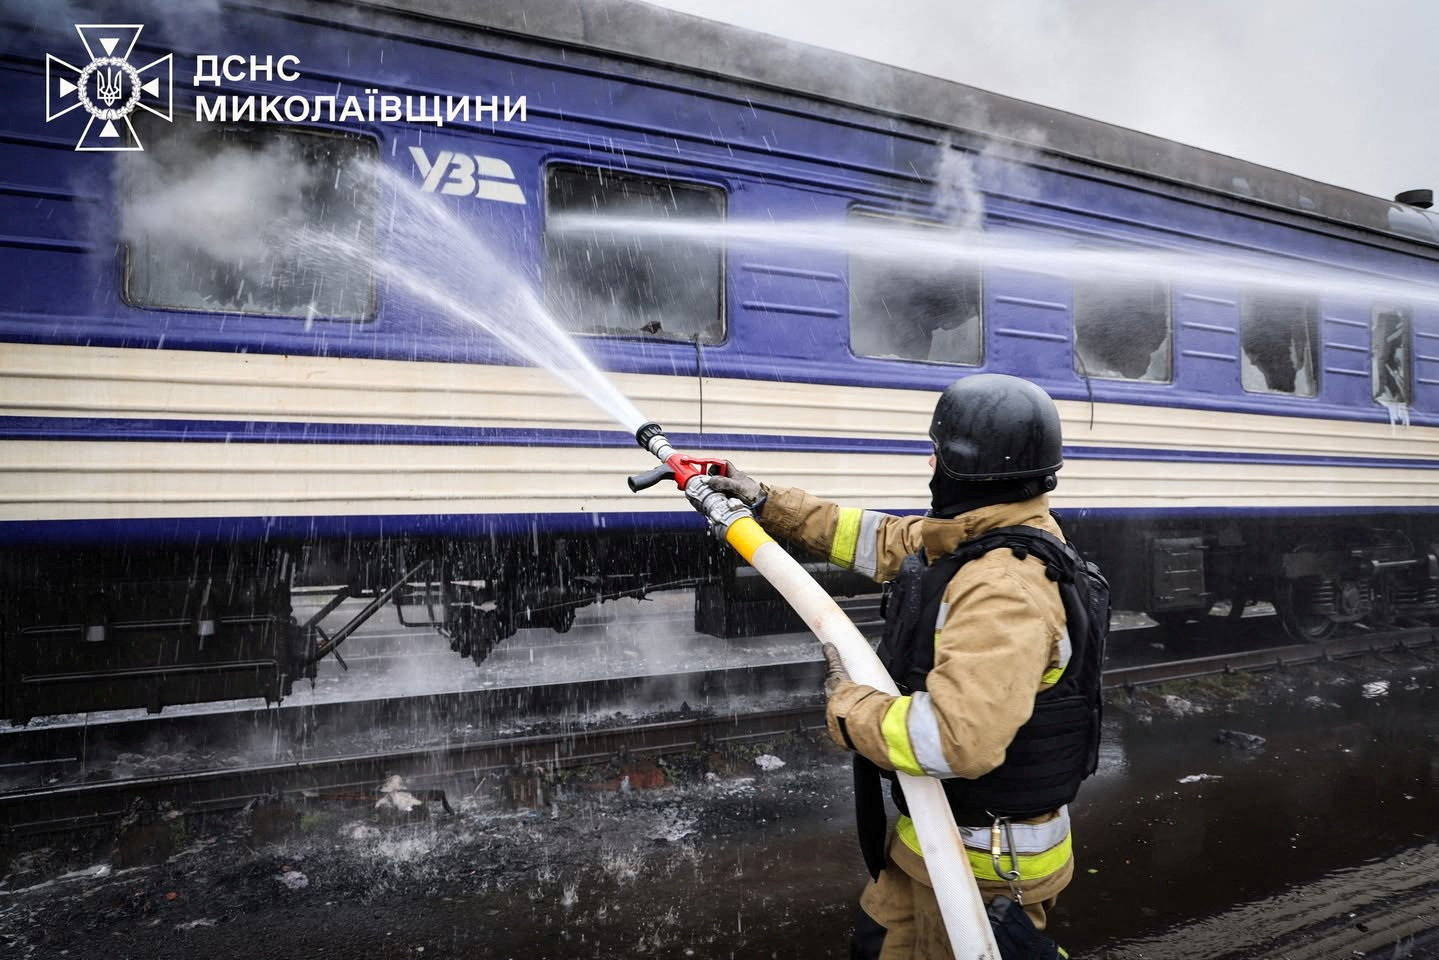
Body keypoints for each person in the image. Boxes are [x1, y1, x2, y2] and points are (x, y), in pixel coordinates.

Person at [711, 373, 1102, 959]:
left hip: (979, 869)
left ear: (964, 467)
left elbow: (954, 739)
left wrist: (850, 705)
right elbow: (882, 538)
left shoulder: (1002, 588)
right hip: (937, 847)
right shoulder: (992, 535)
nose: (929, 462)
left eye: (938, 452)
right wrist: (766, 501)